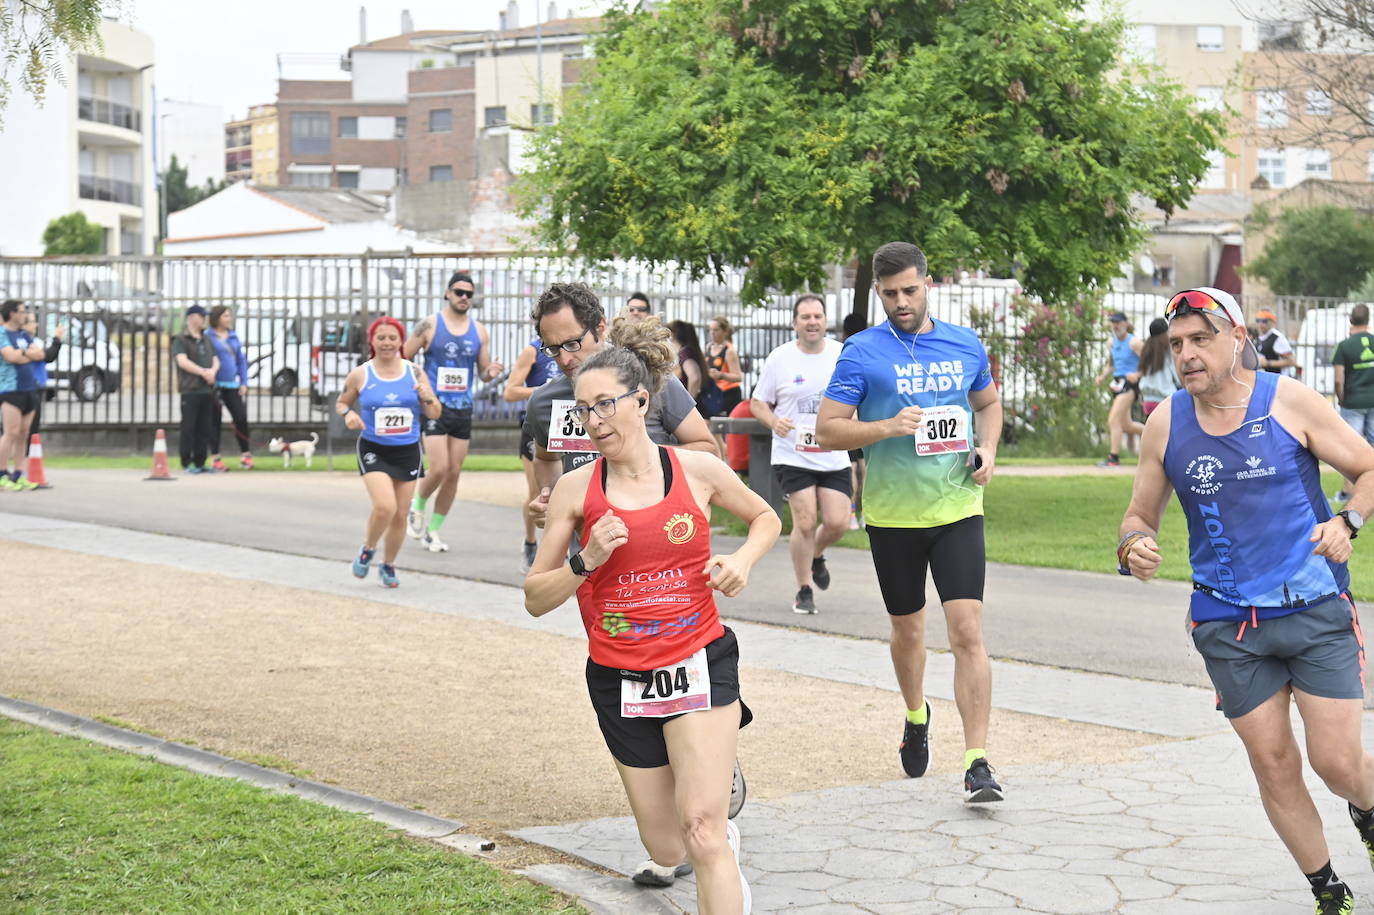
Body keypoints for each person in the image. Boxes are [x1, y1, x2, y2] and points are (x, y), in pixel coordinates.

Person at [1117, 287, 1374, 915]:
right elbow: (1137, 516)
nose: (1187, 354)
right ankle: (1328, 891)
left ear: (1237, 339)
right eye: (1177, 345)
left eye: (1201, 339)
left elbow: (1367, 470)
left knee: (1337, 762)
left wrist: (1348, 523)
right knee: (1272, 762)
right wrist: (1133, 547)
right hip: (1227, 621)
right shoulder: (1166, 422)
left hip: (1313, 608)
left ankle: (1367, 814)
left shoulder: (1289, 402)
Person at [523, 315, 780, 911]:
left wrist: (742, 558)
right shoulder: (574, 491)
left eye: (606, 404)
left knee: (701, 830)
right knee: (667, 845)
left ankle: (715, 829)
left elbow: (765, 517)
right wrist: (586, 560)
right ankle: (715, 834)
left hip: (697, 657)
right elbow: (535, 597)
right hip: (619, 674)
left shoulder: (697, 471)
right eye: (585, 410)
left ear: (642, 401)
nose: (595, 420)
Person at [816, 241, 1005, 803]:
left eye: (910, 290)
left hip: (957, 508)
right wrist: (885, 428)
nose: (901, 301)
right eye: (890, 293)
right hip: (894, 518)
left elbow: (987, 404)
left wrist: (989, 451)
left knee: (968, 631)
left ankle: (977, 761)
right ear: (878, 292)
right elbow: (829, 429)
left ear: (928, 284)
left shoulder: (964, 343)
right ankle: (916, 714)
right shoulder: (861, 352)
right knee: (909, 630)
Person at [523, 282, 718, 514]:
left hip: (659, 533)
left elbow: (707, 449)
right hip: (587, 546)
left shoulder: (651, 378)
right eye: (553, 349)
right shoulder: (544, 401)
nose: (564, 359)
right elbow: (545, 459)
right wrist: (553, 501)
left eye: (572, 343)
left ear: (600, 327)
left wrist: (643, 458)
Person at [750, 294, 851, 614]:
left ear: (825, 321)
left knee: (838, 523)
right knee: (805, 520)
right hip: (793, 453)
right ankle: (804, 588)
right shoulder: (780, 358)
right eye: (805, 317)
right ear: (795, 323)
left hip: (833, 450)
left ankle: (816, 554)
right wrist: (774, 421)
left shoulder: (841, 354)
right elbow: (758, 403)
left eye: (817, 316)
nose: (812, 322)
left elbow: (858, 393)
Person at [336, 317, 441, 589]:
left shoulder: (414, 372)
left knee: (400, 514)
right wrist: (348, 414)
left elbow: (434, 411)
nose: (387, 343)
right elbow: (341, 403)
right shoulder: (361, 374)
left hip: (407, 451)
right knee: (385, 506)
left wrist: (425, 396)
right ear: (372, 341)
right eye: (381, 337)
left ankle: (388, 564)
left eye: (392, 337)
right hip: (373, 448)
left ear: (400, 341)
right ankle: (368, 548)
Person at [404, 272, 504, 553]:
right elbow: (404, 358)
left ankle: (433, 530)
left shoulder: (480, 331)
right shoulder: (429, 325)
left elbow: (483, 373)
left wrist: (491, 372)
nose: (464, 298)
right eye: (459, 292)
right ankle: (418, 504)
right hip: (435, 406)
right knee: (439, 467)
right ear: (448, 293)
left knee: (454, 472)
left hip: (463, 407)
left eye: (469, 294)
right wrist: (421, 382)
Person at [503, 332, 561, 572]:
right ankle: (530, 543)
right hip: (537, 427)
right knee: (539, 491)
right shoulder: (532, 350)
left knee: (568, 489)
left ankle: (560, 549)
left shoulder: (576, 348)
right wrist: (547, 390)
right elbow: (510, 391)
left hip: (569, 427)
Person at [0, 300, 46, 490]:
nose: (24, 314)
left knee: (23, 433)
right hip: (11, 389)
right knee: (10, 433)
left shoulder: (23, 335)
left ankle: (19, 473)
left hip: (29, 388)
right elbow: (10, 357)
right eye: (21, 311)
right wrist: (26, 354)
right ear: (12, 313)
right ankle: (2, 474)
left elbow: (40, 355)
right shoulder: (2, 334)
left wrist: (23, 354)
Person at [1331, 303, 1374, 504]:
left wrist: (1342, 399)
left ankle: (1348, 492)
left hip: (1353, 402)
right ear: (1368, 320)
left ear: (1351, 320)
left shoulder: (1344, 346)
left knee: (1351, 449)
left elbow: (1339, 379)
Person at [170, 305, 219, 474]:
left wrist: (212, 372)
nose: (204, 319)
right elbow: (182, 361)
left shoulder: (206, 339)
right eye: (201, 316)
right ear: (191, 317)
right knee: (189, 428)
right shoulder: (181, 339)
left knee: (204, 428)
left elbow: (215, 359)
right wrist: (202, 372)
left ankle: (200, 461)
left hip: (207, 390)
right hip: (190, 390)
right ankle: (187, 462)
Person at [205, 305, 254, 472]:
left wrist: (244, 382)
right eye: (226, 316)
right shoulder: (208, 336)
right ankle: (216, 458)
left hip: (232, 384)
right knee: (214, 422)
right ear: (217, 318)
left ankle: (246, 454)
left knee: (240, 417)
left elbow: (241, 360)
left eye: (229, 316)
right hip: (215, 386)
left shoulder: (233, 336)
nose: (229, 319)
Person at [1095, 311, 1144, 467]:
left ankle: (1113, 458)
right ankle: (1153, 433)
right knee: (1127, 425)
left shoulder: (1135, 342)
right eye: (1113, 322)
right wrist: (1102, 376)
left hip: (1130, 385)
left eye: (1118, 322)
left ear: (1125, 323)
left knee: (1113, 420)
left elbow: (1148, 362)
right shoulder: (1111, 342)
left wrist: (1138, 374)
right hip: (1117, 384)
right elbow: (1111, 364)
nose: (1115, 325)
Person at [18, 310, 63, 456]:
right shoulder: (22, 340)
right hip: (27, 388)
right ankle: (24, 462)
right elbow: (47, 356)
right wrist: (57, 339)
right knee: (27, 429)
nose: (36, 324)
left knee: (31, 428)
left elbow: (46, 355)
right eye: (32, 321)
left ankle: (26, 461)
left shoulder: (32, 340)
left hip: (35, 387)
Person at [841, 311, 869, 529]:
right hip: (866, 421)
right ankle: (864, 513)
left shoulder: (845, 351)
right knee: (864, 469)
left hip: (850, 420)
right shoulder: (870, 351)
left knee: (852, 469)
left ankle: (852, 515)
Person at [1132, 317, 1179, 417]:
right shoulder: (1168, 350)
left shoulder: (1146, 349)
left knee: (1154, 432)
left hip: (1148, 402)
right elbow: (1177, 376)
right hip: (1166, 401)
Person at [667, 319, 708, 401]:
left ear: (674, 334)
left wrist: (688, 402)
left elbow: (695, 377)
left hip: (688, 406)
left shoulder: (685, 354)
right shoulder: (687, 351)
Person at [1255, 308, 1297, 375]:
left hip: (1277, 380)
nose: (1260, 324)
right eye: (1258, 320)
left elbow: (1292, 362)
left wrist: (1268, 363)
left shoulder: (1278, 338)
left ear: (1272, 322)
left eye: (1264, 321)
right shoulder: (1259, 337)